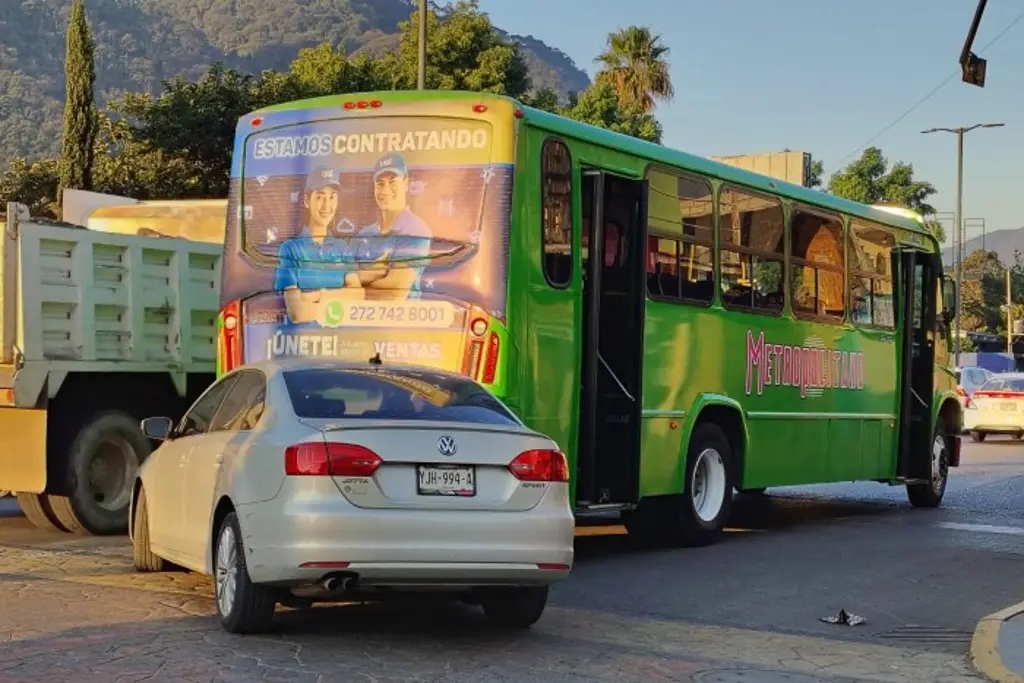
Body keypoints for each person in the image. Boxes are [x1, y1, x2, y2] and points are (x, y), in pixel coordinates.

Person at [273, 166, 362, 323]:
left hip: (344, 339)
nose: (326, 206)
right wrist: (340, 299)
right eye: (320, 197)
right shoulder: (290, 249)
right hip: (303, 341)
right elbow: (298, 313)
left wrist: (317, 295)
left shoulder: (342, 247)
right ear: (307, 201)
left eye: (332, 197)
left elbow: (358, 295)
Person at [354, 153, 433, 300]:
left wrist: (351, 289)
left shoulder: (415, 230)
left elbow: (394, 293)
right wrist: (368, 274)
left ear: (405, 184)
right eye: (380, 184)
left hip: (398, 322)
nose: (385, 190)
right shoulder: (364, 234)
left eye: (392, 182)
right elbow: (341, 279)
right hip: (357, 321)